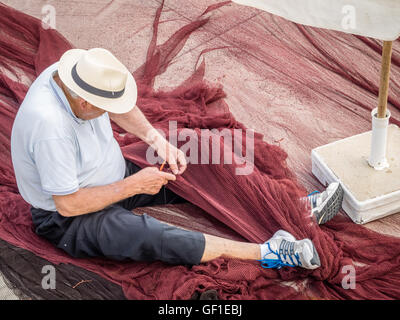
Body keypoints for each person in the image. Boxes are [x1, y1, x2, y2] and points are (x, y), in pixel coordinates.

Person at [10, 48, 344, 270]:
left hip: (113, 169)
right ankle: (269, 252)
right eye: (103, 109)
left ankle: (293, 206)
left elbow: (120, 106)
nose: (112, 112)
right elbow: (68, 204)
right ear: (84, 103)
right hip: (67, 216)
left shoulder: (76, 72)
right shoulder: (50, 128)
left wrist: (156, 140)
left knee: (194, 147)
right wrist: (133, 186)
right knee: (151, 235)